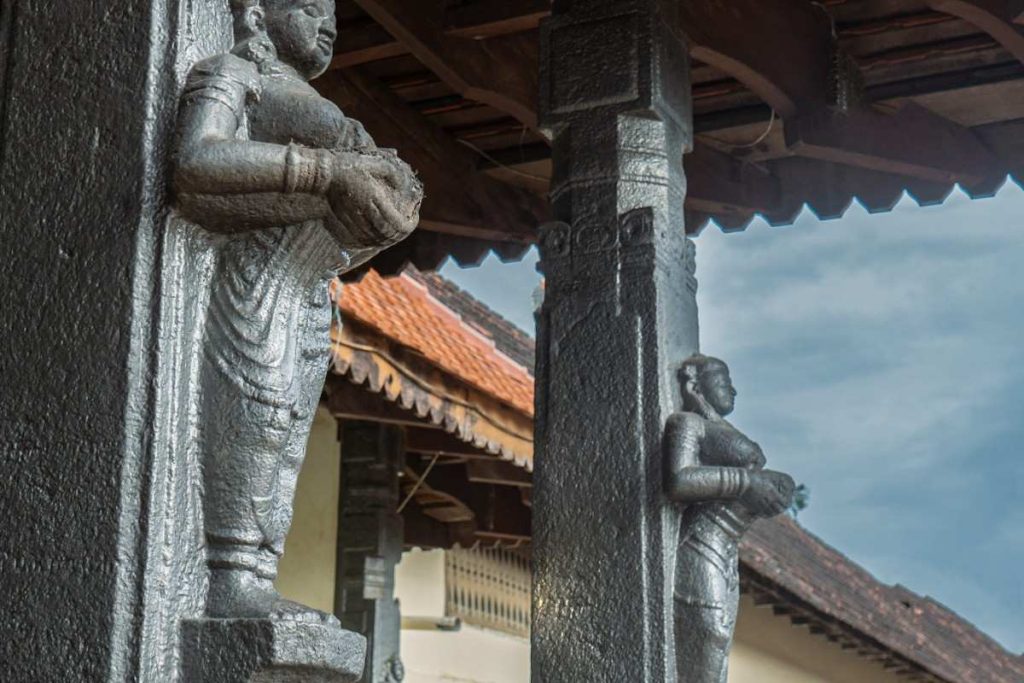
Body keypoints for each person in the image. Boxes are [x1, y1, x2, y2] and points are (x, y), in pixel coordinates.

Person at [173, 0, 422, 622]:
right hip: (253, 277)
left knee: (286, 440)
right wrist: (325, 171)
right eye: (308, 6)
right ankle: (231, 577)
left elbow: (341, 214)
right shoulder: (233, 73)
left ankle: (257, 573)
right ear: (258, 13)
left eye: (331, 11)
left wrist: (383, 211)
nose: (327, 21)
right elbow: (195, 163)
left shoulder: (310, 99)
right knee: (253, 417)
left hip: (306, 289)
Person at [664, 354, 795, 682]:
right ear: (698, 385)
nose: (733, 391)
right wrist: (746, 483)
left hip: (728, 548)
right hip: (701, 541)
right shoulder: (687, 424)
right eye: (724, 383)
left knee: (721, 643)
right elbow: (679, 480)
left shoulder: (717, 426)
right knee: (711, 634)